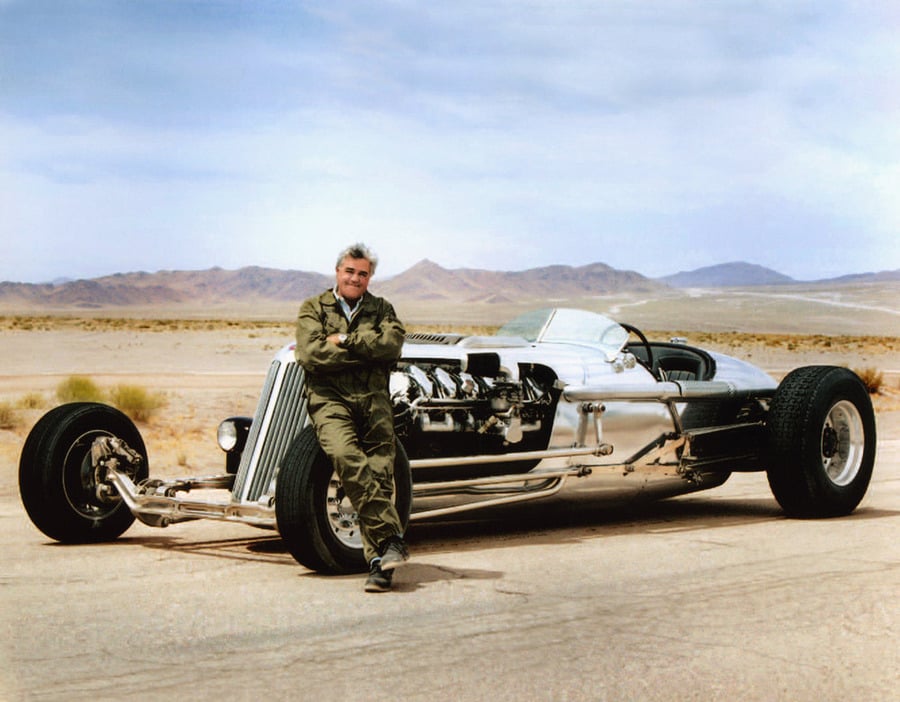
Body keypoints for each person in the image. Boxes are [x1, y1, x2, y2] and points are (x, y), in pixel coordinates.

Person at [294, 243, 409, 592]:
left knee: (380, 475)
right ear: (337, 272)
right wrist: (366, 352)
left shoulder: (382, 308)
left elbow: (392, 345)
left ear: (369, 277)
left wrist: (344, 339)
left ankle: (380, 565)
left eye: (362, 273)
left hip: (374, 400)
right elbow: (311, 354)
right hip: (330, 400)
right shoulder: (313, 307)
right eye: (349, 271)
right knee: (346, 457)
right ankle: (392, 537)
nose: (355, 278)